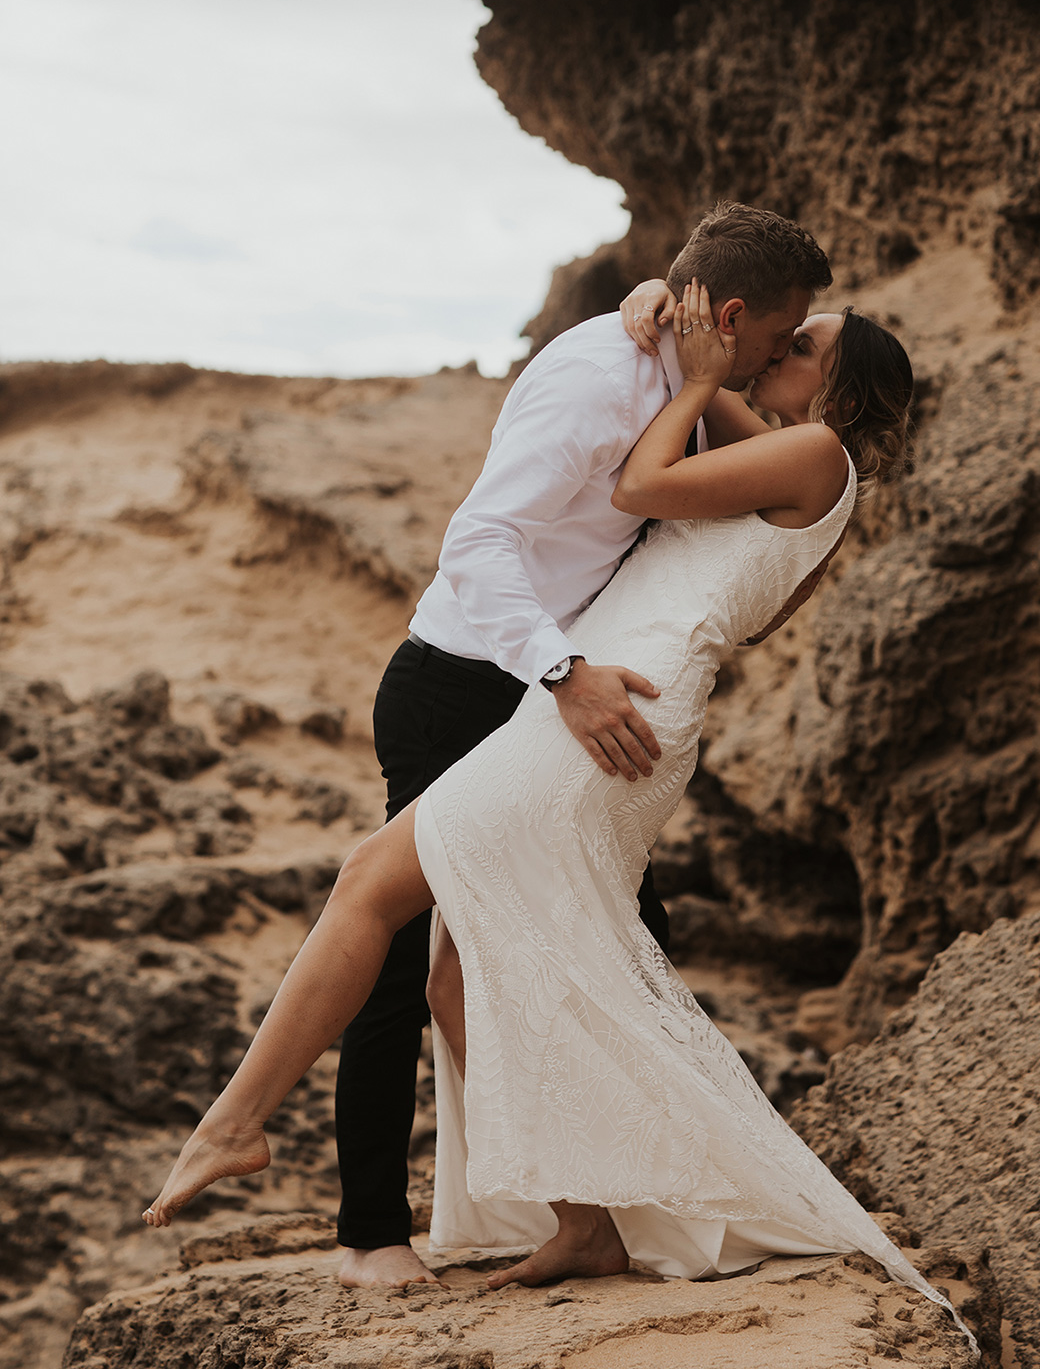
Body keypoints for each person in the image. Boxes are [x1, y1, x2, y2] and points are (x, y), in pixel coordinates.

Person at [142, 282, 976, 1354]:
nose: (779, 343)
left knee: (372, 882)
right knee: (455, 969)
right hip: (616, 700)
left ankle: (234, 1125)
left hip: (611, 705)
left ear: (840, 389)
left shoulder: (817, 460)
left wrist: (708, 376)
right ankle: (586, 1224)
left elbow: (642, 482)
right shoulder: (805, 464)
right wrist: (673, 324)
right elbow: (702, 391)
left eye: (804, 343)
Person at [332, 201, 832, 1288]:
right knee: (405, 952)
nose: (781, 356)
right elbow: (480, 543)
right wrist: (562, 675)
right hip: (466, 683)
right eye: (781, 335)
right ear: (733, 314)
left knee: (624, 940)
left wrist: (687, 349)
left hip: (564, 703)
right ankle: (369, 1229)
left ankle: (629, 1209)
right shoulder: (599, 377)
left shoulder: (695, 390)